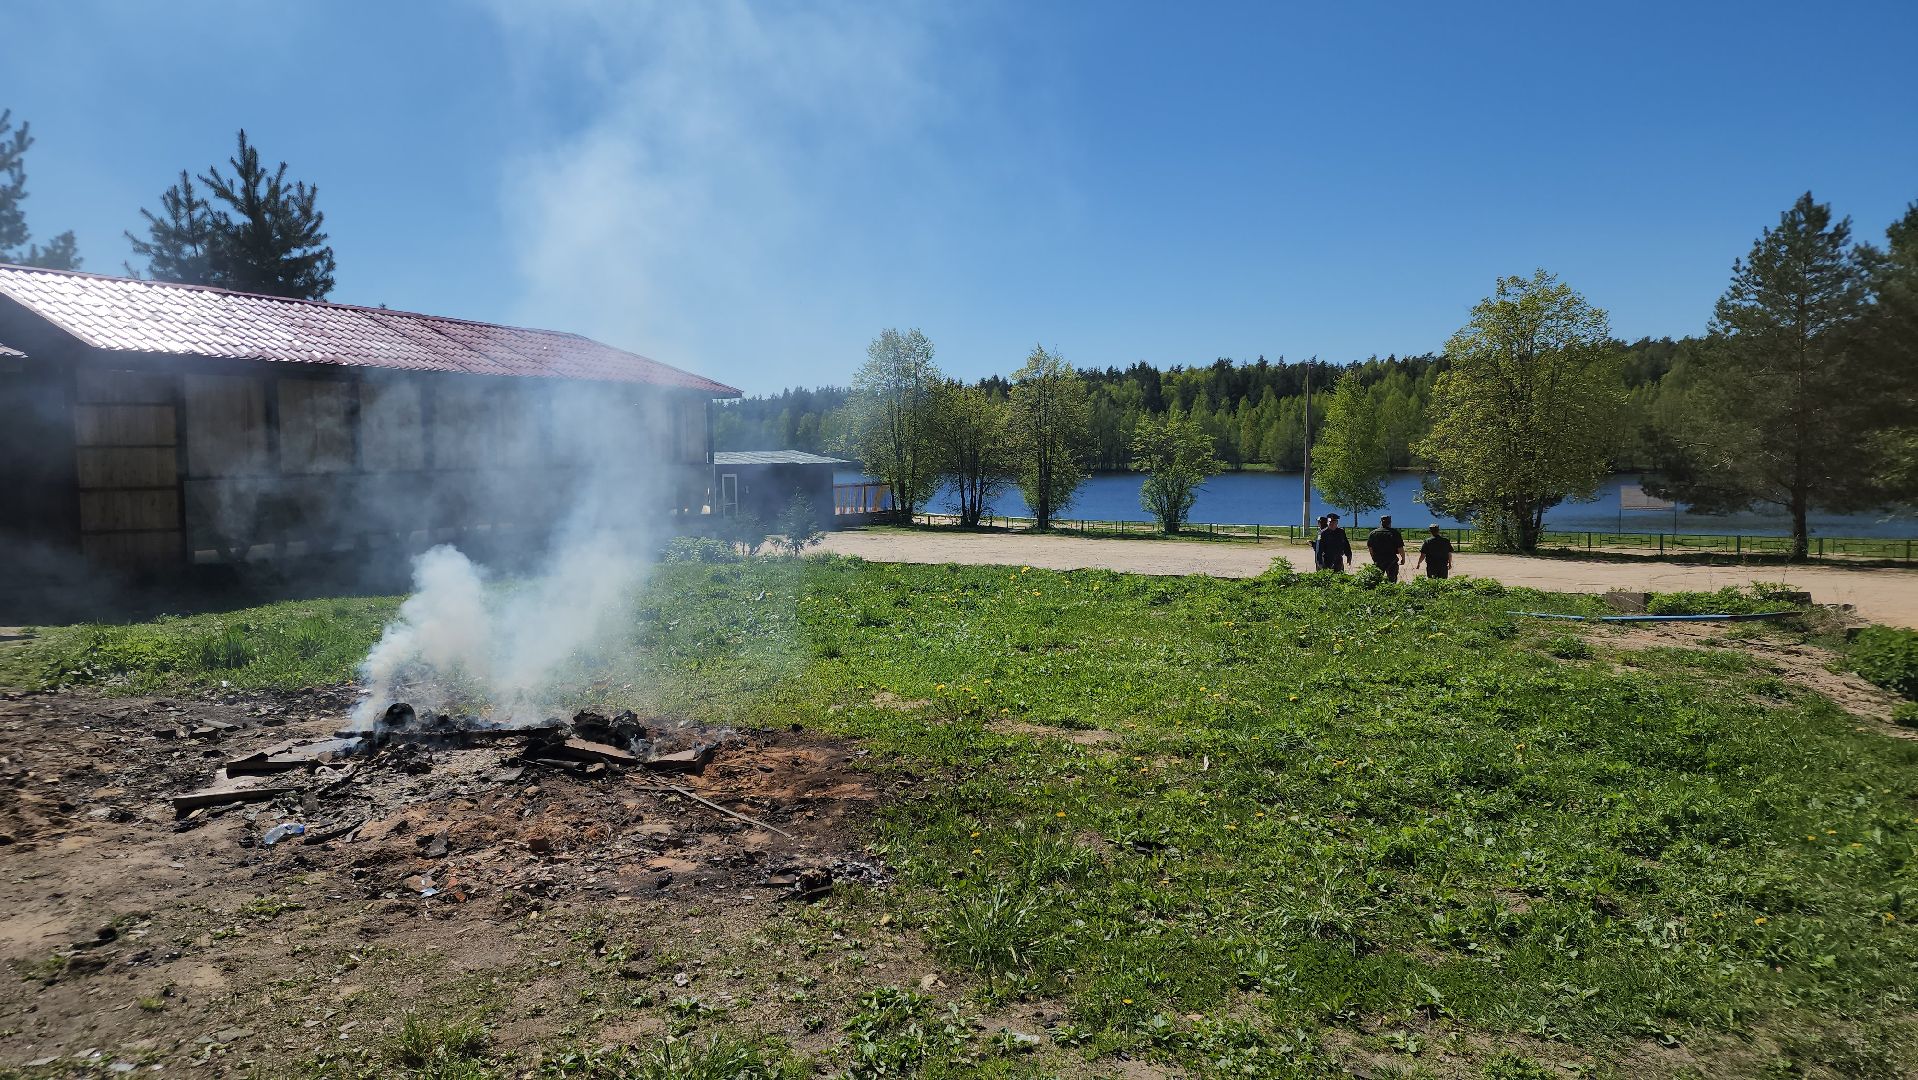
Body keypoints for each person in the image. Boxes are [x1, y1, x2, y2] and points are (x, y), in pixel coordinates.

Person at [1365, 515, 1405, 582]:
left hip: (1378, 559)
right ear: (1390, 522)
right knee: (1392, 580)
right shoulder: (1395, 533)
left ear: (1381, 522)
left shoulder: (1373, 533)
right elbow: (1400, 548)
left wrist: (1373, 557)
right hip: (1391, 559)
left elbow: (1370, 547)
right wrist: (1403, 558)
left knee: (1377, 579)